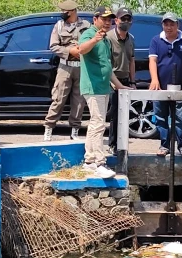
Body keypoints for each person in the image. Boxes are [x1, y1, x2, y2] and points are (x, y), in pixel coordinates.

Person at [78, 6, 129, 179]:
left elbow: (107, 68)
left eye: (109, 19)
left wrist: (119, 85)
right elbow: (81, 49)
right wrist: (94, 40)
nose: (107, 22)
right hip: (93, 87)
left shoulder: (106, 39)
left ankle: (89, 161)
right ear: (95, 19)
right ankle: (99, 162)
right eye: (104, 19)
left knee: (95, 123)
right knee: (99, 123)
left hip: (103, 86)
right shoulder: (89, 33)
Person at [148, 12, 182, 157]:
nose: (169, 27)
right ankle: (164, 146)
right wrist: (154, 79)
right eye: (166, 24)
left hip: (179, 86)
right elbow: (153, 61)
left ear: (178, 25)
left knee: (180, 118)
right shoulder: (156, 40)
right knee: (161, 117)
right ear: (162, 25)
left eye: (172, 24)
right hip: (161, 87)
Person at [43, 0, 90, 142]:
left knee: (79, 101)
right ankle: (49, 128)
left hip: (81, 67)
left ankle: (75, 131)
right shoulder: (59, 26)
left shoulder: (87, 26)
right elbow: (53, 46)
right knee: (58, 98)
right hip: (65, 66)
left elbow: (91, 44)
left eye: (65, 11)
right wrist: (70, 51)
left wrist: (81, 50)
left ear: (73, 11)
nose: (62, 13)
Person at [106, 7, 135, 156]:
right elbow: (106, 62)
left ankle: (122, 146)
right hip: (112, 80)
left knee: (125, 115)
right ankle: (112, 145)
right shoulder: (109, 37)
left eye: (128, 19)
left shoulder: (131, 39)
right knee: (115, 115)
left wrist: (133, 81)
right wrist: (113, 83)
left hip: (125, 81)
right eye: (122, 19)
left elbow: (131, 61)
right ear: (116, 20)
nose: (125, 22)